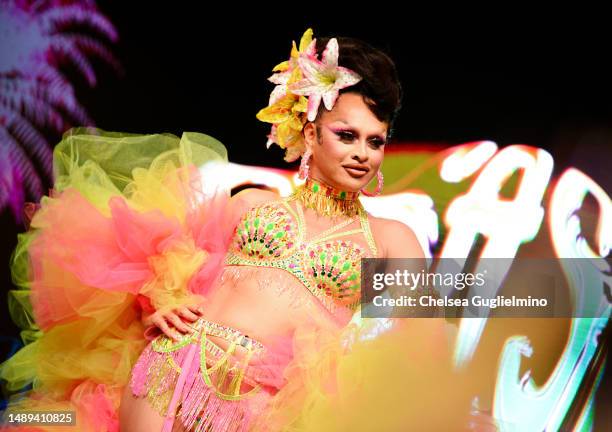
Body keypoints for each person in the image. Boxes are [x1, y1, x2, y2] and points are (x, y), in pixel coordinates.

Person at [1, 29, 474, 432]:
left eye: (375, 142)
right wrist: (160, 303)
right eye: (346, 135)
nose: (362, 154)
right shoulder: (251, 202)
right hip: (173, 367)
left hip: (265, 409)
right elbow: (158, 261)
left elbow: (421, 345)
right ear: (310, 134)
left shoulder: (392, 239)